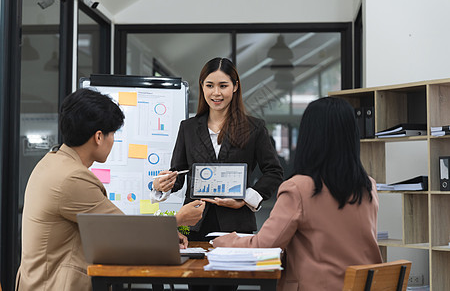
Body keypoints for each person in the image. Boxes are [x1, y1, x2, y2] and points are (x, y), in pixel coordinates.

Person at [15, 88, 205, 291]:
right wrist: (179, 219)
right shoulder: (72, 178)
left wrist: (164, 235)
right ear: (98, 137)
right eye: (113, 133)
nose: (113, 140)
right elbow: (122, 231)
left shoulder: (52, 161)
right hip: (56, 285)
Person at [212, 97, 383, 291]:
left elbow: (264, 246)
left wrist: (225, 241)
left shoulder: (298, 188)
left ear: (309, 136)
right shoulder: (368, 186)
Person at [152, 57, 284, 241]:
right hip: (193, 223)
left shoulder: (253, 127)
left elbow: (274, 171)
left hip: (237, 225)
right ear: (202, 87)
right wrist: (161, 186)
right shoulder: (188, 128)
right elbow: (179, 174)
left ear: (235, 86)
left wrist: (245, 198)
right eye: (209, 85)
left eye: (223, 86)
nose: (216, 93)